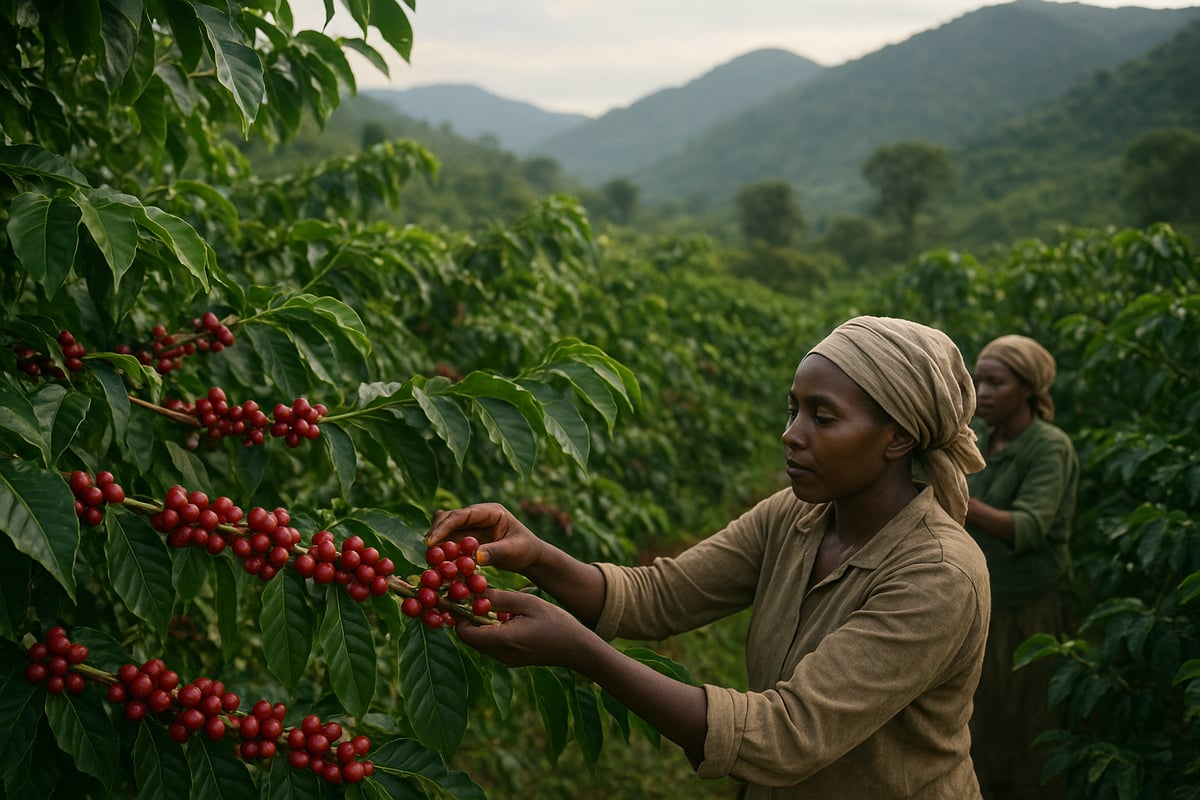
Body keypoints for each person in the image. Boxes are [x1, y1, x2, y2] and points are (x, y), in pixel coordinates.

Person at [427, 316, 992, 798]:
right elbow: (661, 596)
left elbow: (785, 736)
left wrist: (583, 651)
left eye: (823, 418)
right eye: (793, 410)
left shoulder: (938, 574)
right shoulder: (794, 517)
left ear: (897, 438)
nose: (791, 435)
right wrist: (535, 555)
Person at [965, 335, 1079, 800]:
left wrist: (957, 499)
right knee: (978, 720)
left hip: (1028, 607)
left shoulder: (1049, 447)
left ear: (1028, 388)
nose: (983, 392)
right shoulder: (978, 438)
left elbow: (1028, 527)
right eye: (979, 381)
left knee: (1026, 722)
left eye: (997, 382)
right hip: (981, 602)